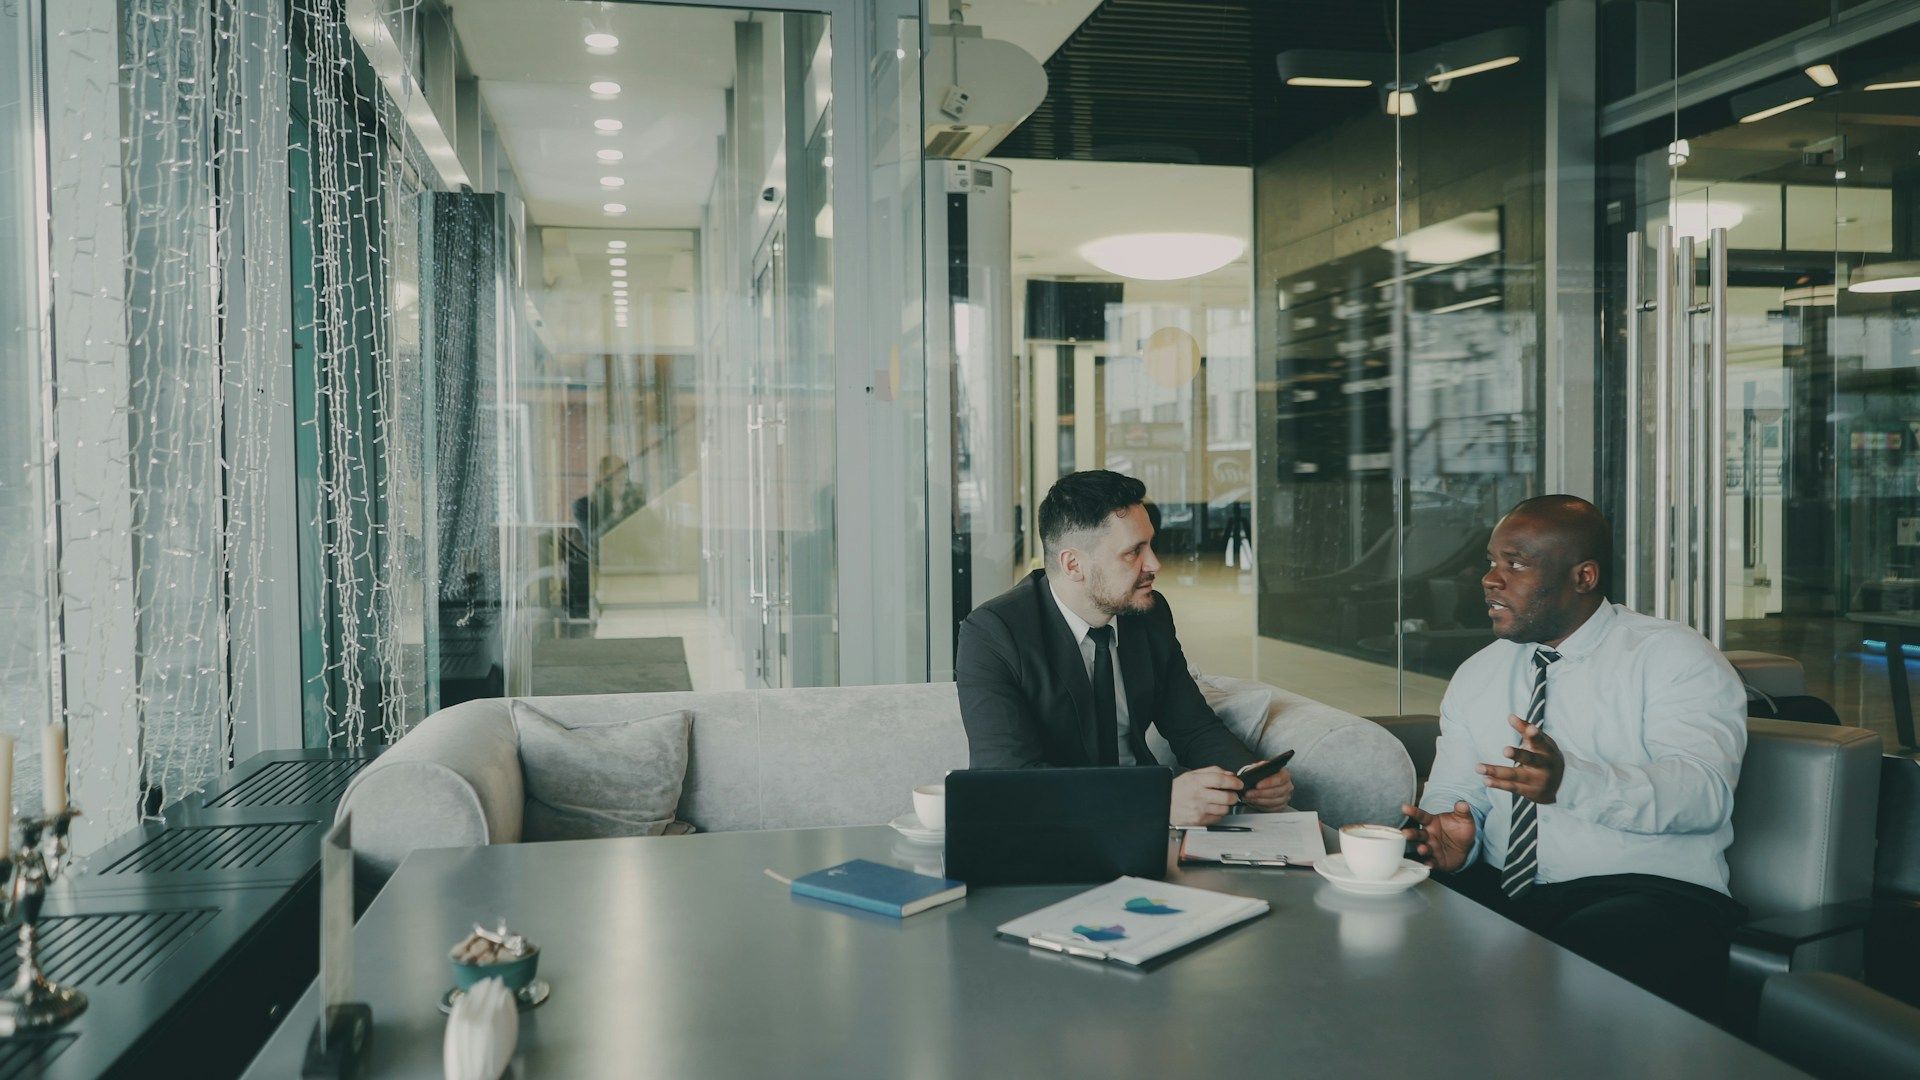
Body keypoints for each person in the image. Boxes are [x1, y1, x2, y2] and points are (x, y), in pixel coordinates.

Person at [1400, 494, 1747, 1017]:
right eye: (1492, 563)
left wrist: (1570, 784)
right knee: (1395, 941)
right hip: (1507, 888)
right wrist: (1452, 837)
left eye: (1515, 564)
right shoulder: (1479, 672)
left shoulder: (1672, 656)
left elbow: (1704, 795)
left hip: (1650, 895)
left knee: (1560, 973)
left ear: (1583, 577)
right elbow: (1456, 793)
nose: (1491, 580)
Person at [956, 469, 1292, 826]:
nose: (1155, 564)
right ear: (1073, 565)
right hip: (1056, 829)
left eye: (1150, 544)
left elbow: (1192, 727)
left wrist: (1248, 773)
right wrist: (1154, 802)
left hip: (1154, 827)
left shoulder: (1149, 615)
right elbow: (1010, 781)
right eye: (1134, 552)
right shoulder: (993, 634)